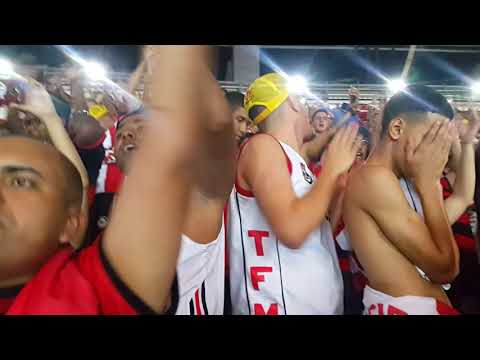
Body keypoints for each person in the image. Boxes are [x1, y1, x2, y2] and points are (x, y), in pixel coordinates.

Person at [0, 45, 213, 315]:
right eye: (124, 133)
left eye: (21, 182)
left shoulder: (88, 291)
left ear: (70, 225)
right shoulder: (100, 205)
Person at [93, 46, 236, 315]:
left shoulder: (194, 201)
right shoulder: (111, 211)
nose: (129, 137)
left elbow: (216, 124)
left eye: (142, 129)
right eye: (122, 134)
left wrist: (178, 62)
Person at [228, 73, 361, 315]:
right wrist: (330, 171)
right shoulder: (262, 146)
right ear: (290, 101)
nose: (306, 107)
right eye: (302, 101)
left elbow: (315, 238)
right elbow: (292, 230)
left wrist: (336, 187)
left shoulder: (292, 158)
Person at [343, 84, 473, 315]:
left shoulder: (398, 183)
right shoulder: (373, 178)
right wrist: (431, 185)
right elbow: (445, 269)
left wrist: (467, 142)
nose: (437, 151)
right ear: (397, 128)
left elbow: (463, 197)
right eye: (431, 138)